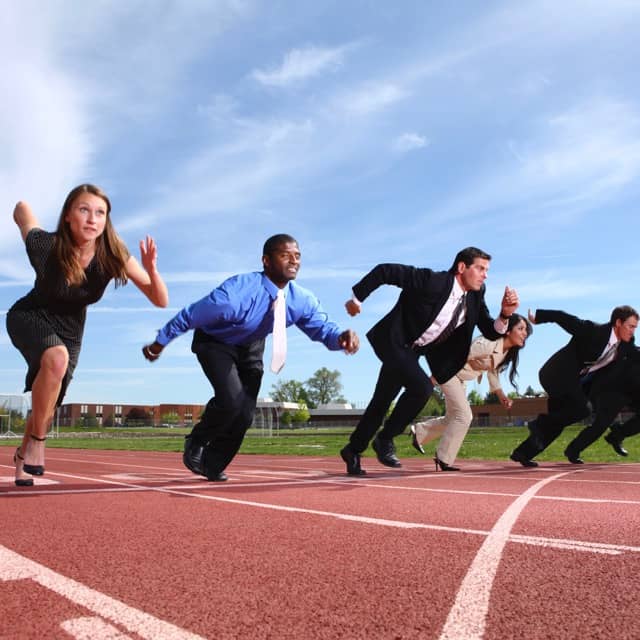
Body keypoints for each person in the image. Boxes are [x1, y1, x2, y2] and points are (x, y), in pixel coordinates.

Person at [142, 234, 359, 482]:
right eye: (285, 255)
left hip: (251, 346)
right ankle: (197, 440)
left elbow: (322, 328)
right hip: (215, 342)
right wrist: (159, 343)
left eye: (297, 256)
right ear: (266, 260)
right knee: (232, 400)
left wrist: (340, 337)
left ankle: (213, 463)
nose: (293, 261)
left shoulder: (301, 300)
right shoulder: (235, 295)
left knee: (245, 413)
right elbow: (190, 315)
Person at [7, 184, 169, 486]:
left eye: (100, 213)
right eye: (84, 210)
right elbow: (22, 213)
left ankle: (21, 456)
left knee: (49, 403)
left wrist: (152, 269)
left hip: (71, 329)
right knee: (56, 358)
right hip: (30, 316)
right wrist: (24, 206)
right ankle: (39, 442)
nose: (92, 219)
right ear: (68, 215)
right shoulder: (47, 246)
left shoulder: (113, 254)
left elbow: (160, 300)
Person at [339, 247, 519, 476]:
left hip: (415, 352)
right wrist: (357, 298)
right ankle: (384, 439)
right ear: (462, 267)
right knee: (422, 388)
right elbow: (386, 271)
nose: (485, 275)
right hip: (394, 342)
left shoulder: (475, 295)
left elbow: (489, 330)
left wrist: (504, 314)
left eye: (487, 270)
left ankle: (353, 449)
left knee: (381, 401)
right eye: (480, 268)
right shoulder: (431, 280)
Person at [510, 305, 639, 467]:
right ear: (618, 322)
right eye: (631, 326)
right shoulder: (593, 331)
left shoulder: (626, 343)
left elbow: (635, 354)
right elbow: (564, 317)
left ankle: (523, 453)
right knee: (582, 409)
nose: (633, 331)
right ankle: (538, 424)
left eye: (635, 328)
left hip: (575, 382)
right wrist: (539, 316)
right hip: (556, 374)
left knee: (560, 419)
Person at [410, 313, 532, 471]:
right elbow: (459, 354)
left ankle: (419, 432)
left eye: (526, 330)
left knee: (453, 419)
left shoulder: (506, 351)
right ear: (508, 330)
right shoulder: (488, 343)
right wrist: (434, 378)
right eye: (521, 328)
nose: (525, 333)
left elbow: (492, 372)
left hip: (460, 378)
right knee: (464, 416)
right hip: (449, 373)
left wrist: (501, 396)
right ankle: (443, 458)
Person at [563, 349, 640, 461]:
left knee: (603, 423)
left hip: (630, 391)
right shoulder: (630, 351)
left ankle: (616, 436)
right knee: (601, 424)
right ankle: (573, 450)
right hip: (611, 389)